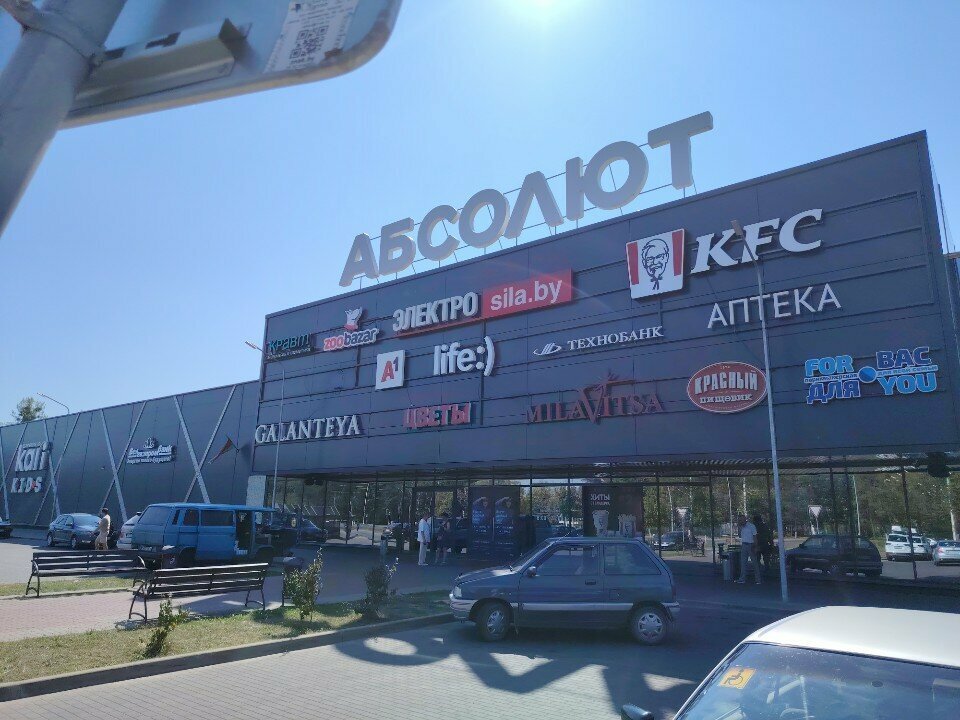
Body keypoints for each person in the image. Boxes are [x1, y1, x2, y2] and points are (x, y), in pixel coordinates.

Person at [736, 513, 761, 584]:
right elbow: (740, 536)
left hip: (751, 545)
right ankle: (742, 579)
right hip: (744, 545)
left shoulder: (751, 526)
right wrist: (739, 527)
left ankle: (758, 579)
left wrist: (756, 546)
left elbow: (755, 536)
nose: (740, 521)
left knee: (754, 563)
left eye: (741, 520)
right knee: (743, 563)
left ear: (745, 519)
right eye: (739, 520)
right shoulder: (741, 527)